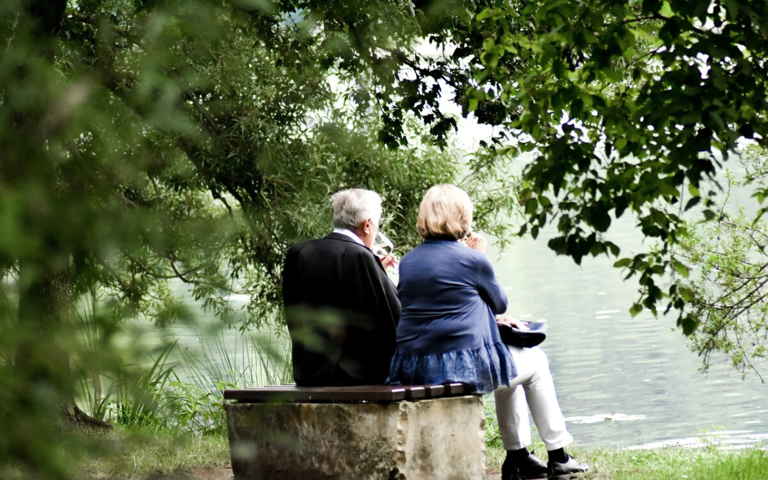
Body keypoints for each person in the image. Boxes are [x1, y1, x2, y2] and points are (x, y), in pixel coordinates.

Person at [388, 185, 588, 480]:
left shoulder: (409, 261)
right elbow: (499, 303)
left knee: (511, 366)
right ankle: (558, 454)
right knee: (535, 361)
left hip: (416, 365)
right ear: (461, 217)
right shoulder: (472, 259)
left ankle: (518, 456)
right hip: (458, 367)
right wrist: (480, 256)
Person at [282, 188, 400, 386]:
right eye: (378, 223)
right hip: (354, 377)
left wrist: (377, 269)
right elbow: (392, 319)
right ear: (368, 225)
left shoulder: (298, 252)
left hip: (308, 373)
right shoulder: (360, 257)